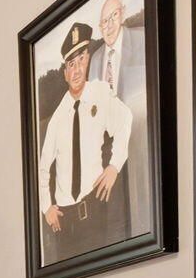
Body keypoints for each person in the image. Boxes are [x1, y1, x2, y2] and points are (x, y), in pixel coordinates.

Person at [38, 20, 132, 261]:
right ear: (65, 73)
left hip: (94, 209)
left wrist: (114, 166)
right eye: (71, 64)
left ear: (88, 60)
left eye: (81, 59)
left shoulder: (99, 94)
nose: (77, 69)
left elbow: (125, 120)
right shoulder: (58, 118)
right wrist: (46, 207)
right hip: (64, 222)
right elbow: (43, 167)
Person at [90, 0, 150, 235]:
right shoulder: (95, 60)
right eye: (104, 21)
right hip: (108, 150)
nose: (109, 25)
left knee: (142, 210)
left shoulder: (143, 40)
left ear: (122, 13)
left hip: (139, 143)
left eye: (113, 16)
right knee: (115, 219)